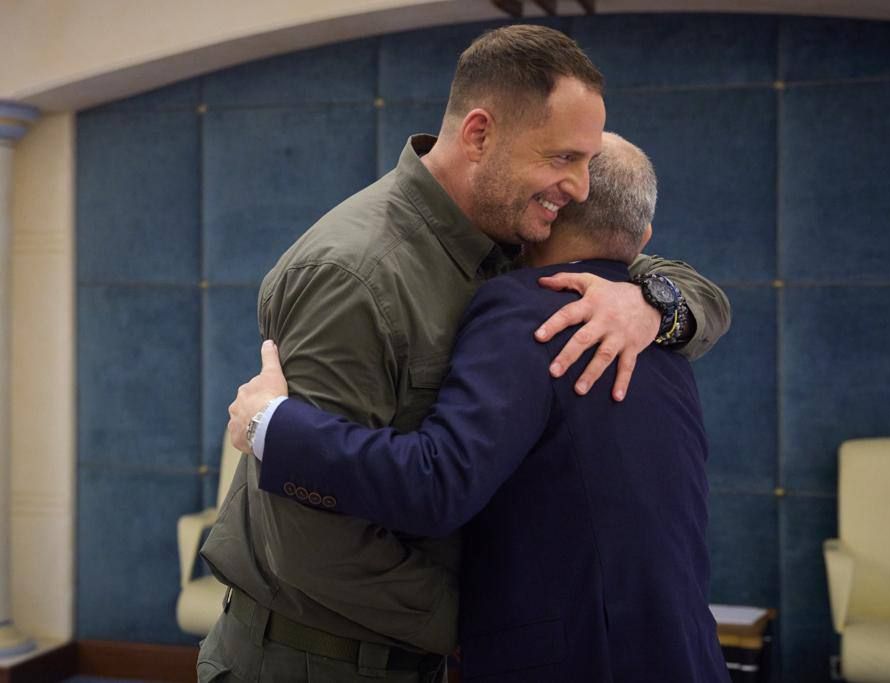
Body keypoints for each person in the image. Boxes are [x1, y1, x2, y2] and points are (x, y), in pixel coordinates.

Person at [199, 24, 730, 683]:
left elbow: (682, 281)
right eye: (564, 158)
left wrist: (651, 306)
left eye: (589, 161)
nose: (580, 187)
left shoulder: (520, 232)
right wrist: (514, 626)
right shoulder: (354, 274)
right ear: (479, 135)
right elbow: (311, 548)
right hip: (316, 662)